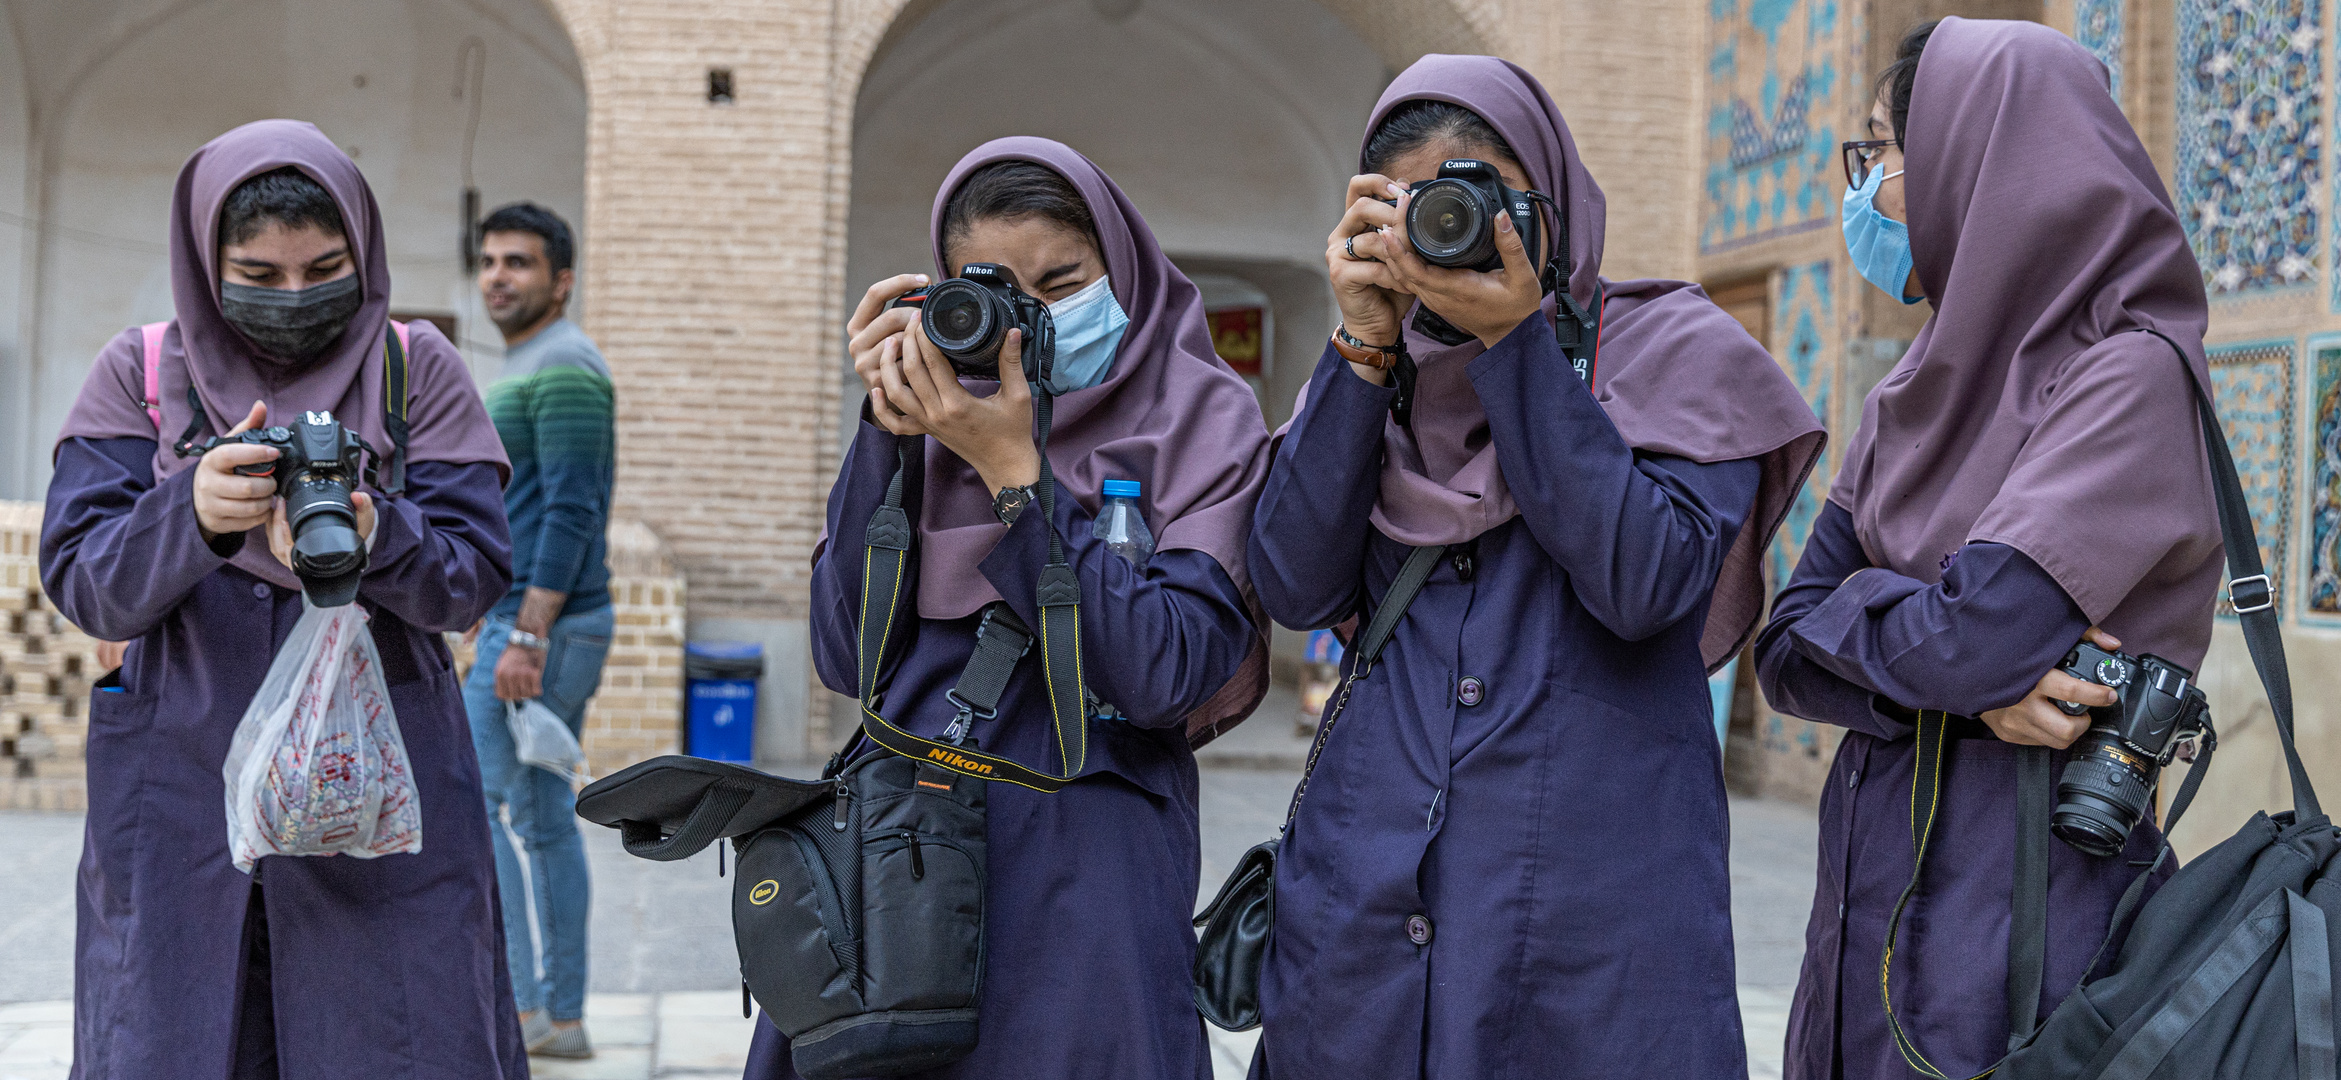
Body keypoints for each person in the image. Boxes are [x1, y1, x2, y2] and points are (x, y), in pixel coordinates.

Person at [1248, 55, 1826, 1079]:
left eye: (1490, 199)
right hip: (1364, 918)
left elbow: (1645, 583)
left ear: (1552, 201)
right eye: (1421, 206)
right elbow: (1293, 585)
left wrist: (1516, 345)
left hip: (1588, 933)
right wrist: (1360, 352)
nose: (1461, 231)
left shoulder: (1677, 354)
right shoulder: (1371, 374)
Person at [1754, 18, 2223, 1080]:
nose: (1869, 187)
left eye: (1884, 150)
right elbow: (1779, 650)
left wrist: (1891, 633)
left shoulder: (2127, 377)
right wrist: (1959, 686)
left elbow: (1970, 634)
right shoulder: (1914, 391)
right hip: (1863, 926)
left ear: (1981, 161)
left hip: (2017, 929)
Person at [745, 137, 1272, 1079]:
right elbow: (842, 653)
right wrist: (885, 433)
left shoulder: (1204, 417)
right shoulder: (936, 412)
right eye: (993, 288)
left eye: (1061, 282)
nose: (1029, 318)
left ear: (1124, 267)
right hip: (897, 857)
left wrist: (1016, 479)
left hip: (1089, 867)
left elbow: (1160, 673)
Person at [40, 120, 521, 1078]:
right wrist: (195, 512)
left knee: (398, 1035)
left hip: (379, 792)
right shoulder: (138, 377)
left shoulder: (413, 369)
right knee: (178, 1035)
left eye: (325, 269)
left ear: (364, 250)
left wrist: (375, 531)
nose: (297, 299)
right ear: (203, 258)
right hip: (181, 789)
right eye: (259, 276)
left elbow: (473, 578)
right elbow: (88, 585)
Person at [462, 201, 617, 1060]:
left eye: (518, 262)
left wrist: (525, 634)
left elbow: (571, 508)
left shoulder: (565, 366)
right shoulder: (531, 362)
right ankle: (555, 1016)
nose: (497, 276)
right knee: (541, 814)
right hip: (529, 618)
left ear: (560, 280)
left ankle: (526, 1009)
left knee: (476, 806)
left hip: (545, 625)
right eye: (488, 260)